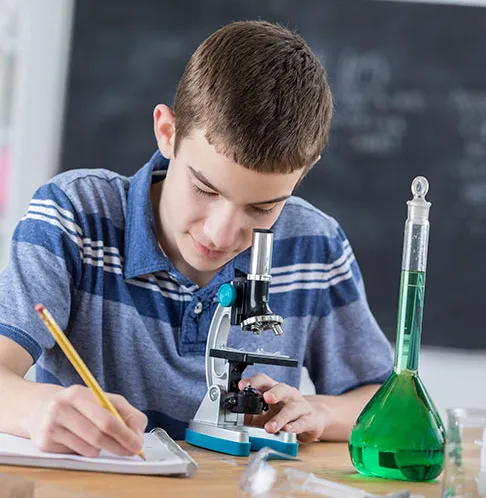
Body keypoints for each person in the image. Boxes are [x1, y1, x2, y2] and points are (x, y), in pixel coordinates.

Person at [0, 20, 393, 458]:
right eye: (205, 189)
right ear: (167, 132)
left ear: (305, 171)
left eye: (262, 208)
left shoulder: (315, 246)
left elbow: (381, 402)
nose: (220, 234)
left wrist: (316, 410)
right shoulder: (74, 215)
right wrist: (39, 410)